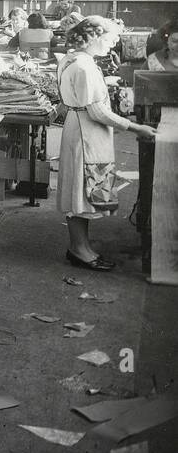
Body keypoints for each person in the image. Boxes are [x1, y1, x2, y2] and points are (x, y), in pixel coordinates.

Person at [58, 17, 156, 271]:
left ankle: (80, 247)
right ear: (94, 36)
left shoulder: (72, 59)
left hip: (79, 126)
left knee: (80, 189)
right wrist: (137, 127)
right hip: (86, 131)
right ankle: (79, 250)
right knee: (82, 189)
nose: (113, 45)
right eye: (110, 39)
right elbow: (98, 112)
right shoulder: (84, 67)